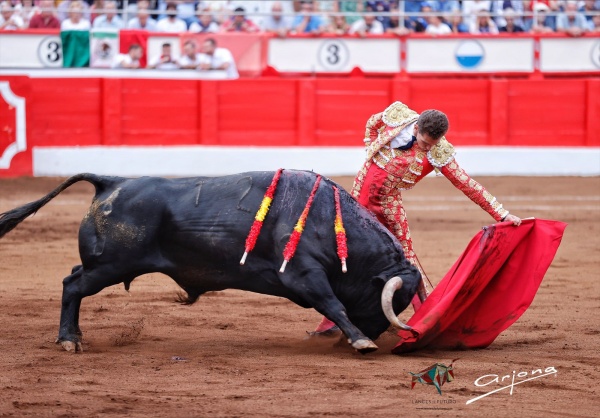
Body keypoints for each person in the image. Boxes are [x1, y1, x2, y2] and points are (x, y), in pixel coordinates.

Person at [312, 101, 521, 336]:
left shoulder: (439, 152)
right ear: (416, 128)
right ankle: (330, 324)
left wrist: (501, 213)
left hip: (388, 206)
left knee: (406, 259)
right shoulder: (398, 117)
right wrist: (371, 148)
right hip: (357, 200)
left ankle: (427, 318)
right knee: (346, 256)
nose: (428, 148)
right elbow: (372, 123)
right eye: (424, 143)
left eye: (433, 144)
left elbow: (466, 184)